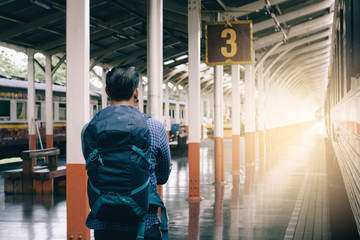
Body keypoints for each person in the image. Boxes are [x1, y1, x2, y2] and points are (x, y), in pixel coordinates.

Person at [82, 65, 171, 240]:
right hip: (143, 224)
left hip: (104, 224)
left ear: (107, 91)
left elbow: (92, 166)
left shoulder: (89, 129)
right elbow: (162, 178)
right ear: (136, 92)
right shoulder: (154, 127)